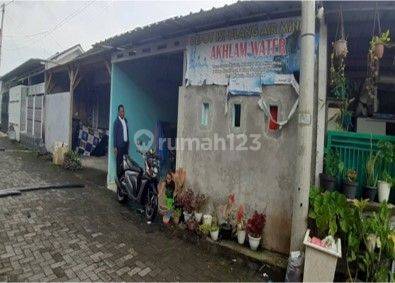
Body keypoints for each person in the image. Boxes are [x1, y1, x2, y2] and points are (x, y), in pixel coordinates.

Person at [113, 104, 129, 178]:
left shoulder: (125, 120)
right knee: (119, 163)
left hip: (125, 145)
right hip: (119, 146)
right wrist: (115, 147)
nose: (122, 113)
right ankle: (119, 179)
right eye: (121, 111)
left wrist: (128, 142)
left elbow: (126, 131)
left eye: (123, 111)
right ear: (118, 112)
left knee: (125, 162)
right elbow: (114, 135)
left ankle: (123, 178)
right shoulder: (116, 122)